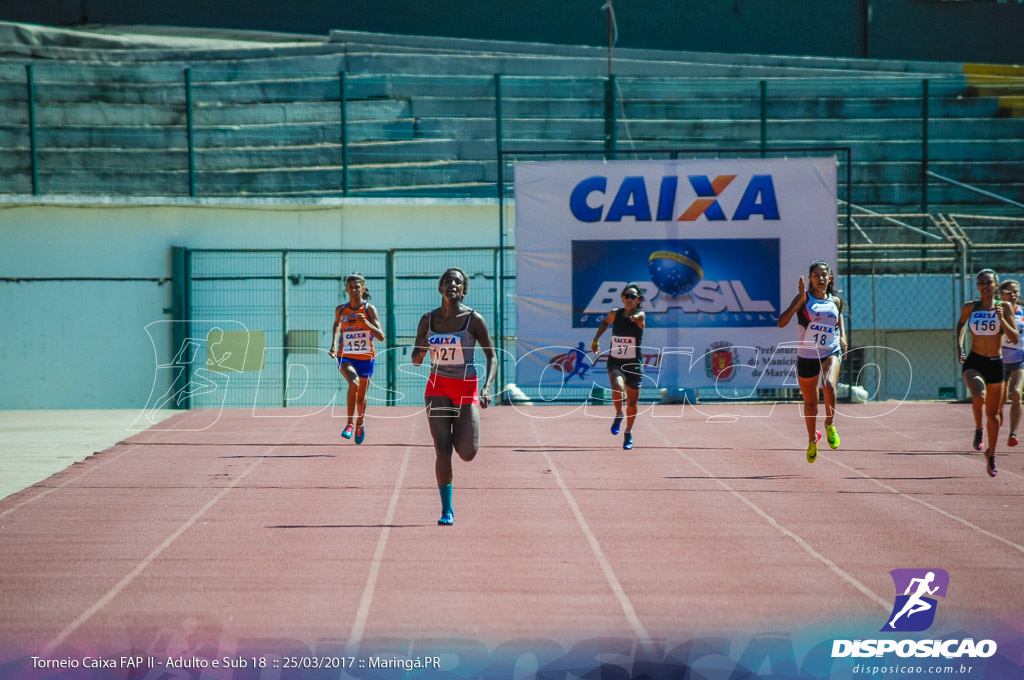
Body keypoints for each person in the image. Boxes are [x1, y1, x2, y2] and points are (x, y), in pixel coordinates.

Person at [411, 268, 497, 526]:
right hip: (437, 388)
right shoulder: (428, 320)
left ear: (464, 290)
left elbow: (492, 356)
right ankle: (447, 510)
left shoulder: (474, 320)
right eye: (448, 281)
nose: (452, 285)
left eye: (458, 282)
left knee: (468, 452)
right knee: (442, 448)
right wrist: (422, 351)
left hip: (466, 387)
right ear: (441, 287)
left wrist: (487, 387)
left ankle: (461, 437)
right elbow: (415, 360)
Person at [777, 261, 848, 464]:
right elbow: (781, 323)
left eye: (824, 275)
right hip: (807, 356)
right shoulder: (804, 299)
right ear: (810, 279)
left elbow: (838, 317)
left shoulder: (835, 301)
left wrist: (842, 337)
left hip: (830, 351)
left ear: (830, 278)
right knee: (810, 404)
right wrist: (799, 301)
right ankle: (812, 440)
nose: (820, 278)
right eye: (816, 275)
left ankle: (829, 423)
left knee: (828, 384)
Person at [956, 269, 1019, 477]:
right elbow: (961, 324)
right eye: (980, 283)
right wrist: (959, 346)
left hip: (995, 362)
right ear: (977, 286)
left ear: (996, 286)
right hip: (974, 360)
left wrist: (1002, 320)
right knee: (978, 394)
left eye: (988, 283)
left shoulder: (1005, 307)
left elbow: (1015, 338)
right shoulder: (970, 307)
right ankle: (978, 428)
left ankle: (991, 454)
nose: (984, 286)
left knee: (993, 415)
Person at [328, 273, 385, 444]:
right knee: (353, 383)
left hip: (366, 358)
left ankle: (360, 422)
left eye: (357, 287)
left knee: (361, 398)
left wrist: (366, 323)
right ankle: (349, 424)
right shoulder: (341, 310)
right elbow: (337, 325)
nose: (353, 290)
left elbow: (381, 336)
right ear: (346, 289)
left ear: (363, 288)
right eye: (350, 287)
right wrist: (333, 345)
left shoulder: (369, 309)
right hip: (346, 356)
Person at [590, 283, 646, 451]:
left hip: (634, 363)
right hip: (616, 360)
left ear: (638, 300)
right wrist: (596, 339)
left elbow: (639, 320)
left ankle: (628, 432)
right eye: (626, 296)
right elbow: (606, 322)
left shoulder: (640, 314)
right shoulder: (615, 313)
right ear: (622, 298)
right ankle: (618, 414)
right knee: (616, 388)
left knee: (632, 402)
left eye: (632, 297)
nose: (629, 299)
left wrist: (633, 317)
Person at [999, 280, 1024, 448]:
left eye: (1016, 292)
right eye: (1009, 292)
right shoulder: (996, 311)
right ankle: (998, 411)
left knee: (1016, 393)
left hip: (1019, 359)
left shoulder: (1022, 312)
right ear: (1001, 294)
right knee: (999, 400)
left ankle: (1013, 433)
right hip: (1000, 360)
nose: (1013, 295)